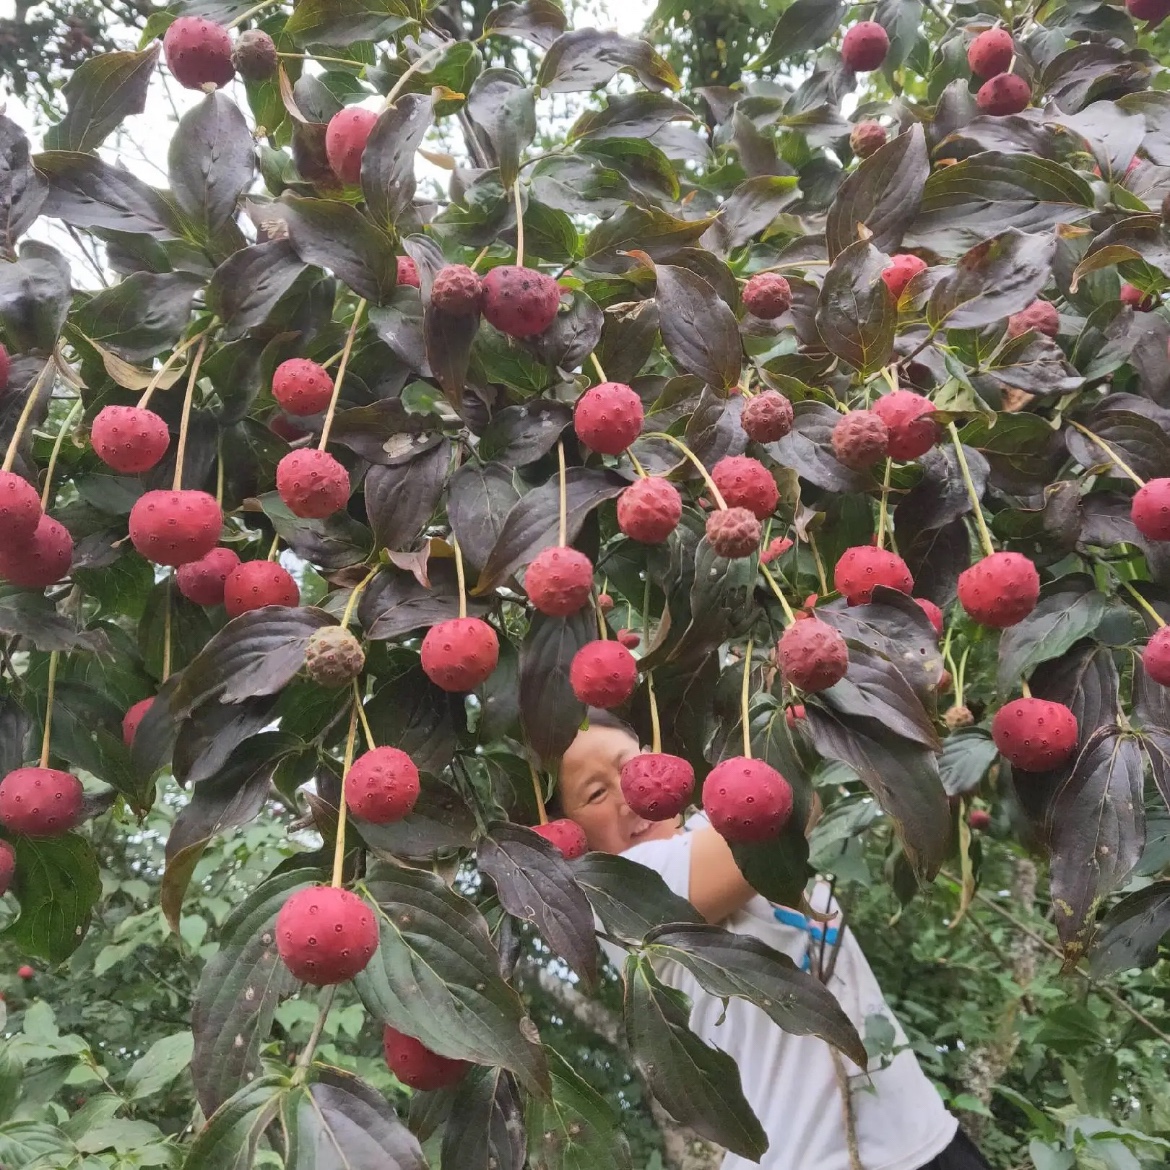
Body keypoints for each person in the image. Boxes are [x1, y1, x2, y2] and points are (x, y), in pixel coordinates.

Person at [558, 712, 992, 1170]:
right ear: (571, 831)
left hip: (927, 1139)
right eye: (596, 794)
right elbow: (783, 813)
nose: (628, 797)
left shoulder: (709, 823)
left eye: (628, 766)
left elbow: (800, 800)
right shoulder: (618, 895)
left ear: (653, 754)